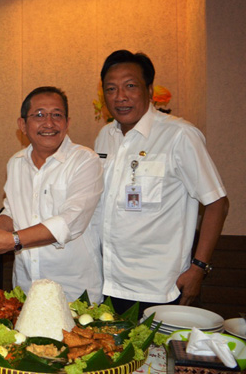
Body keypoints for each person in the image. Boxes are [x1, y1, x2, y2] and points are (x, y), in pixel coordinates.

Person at [94, 49, 229, 316]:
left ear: (149, 90)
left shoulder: (179, 136)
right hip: (107, 284)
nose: (120, 96)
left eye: (130, 86)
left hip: (160, 289)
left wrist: (198, 267)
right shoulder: (105, 136)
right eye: (111, 89)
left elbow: (218, 203)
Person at [0, 87, 104, 303]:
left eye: (57, 115)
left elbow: (71, 221)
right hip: (27, 288)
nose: (49, 123)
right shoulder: (16, 163)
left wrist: (14, 240)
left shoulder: (85, 160)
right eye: (39, 115)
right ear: (22, 125)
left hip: (75, 291)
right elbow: (14, 213)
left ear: (67, 123)